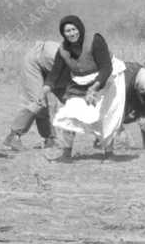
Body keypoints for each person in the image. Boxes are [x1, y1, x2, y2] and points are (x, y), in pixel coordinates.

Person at [44, 15, 126, 161]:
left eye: (74, 29)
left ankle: (108, 152)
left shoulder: (95, 41)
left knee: (105, 115)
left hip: (108, 78)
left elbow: (106, 67)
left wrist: (94, 88)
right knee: (69, 112)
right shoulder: (63, 49)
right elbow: (55, 71)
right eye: (67, 31)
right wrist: (46, 88)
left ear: (80, 29)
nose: (71, 33)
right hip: (81, 81)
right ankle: (66, 152)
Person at [2, 41, 61, 150]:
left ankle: (49, 139)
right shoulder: (68, 57)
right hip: (34, 62)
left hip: (50, 65)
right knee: (39, 101)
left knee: (66, 100)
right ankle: (13, 136)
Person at [120, 61, 145, 146]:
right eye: (144, 91)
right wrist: (126, 116)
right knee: (117, 118)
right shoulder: (125, 83)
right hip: (122, 93)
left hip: (135, 90)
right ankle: (102, 142)